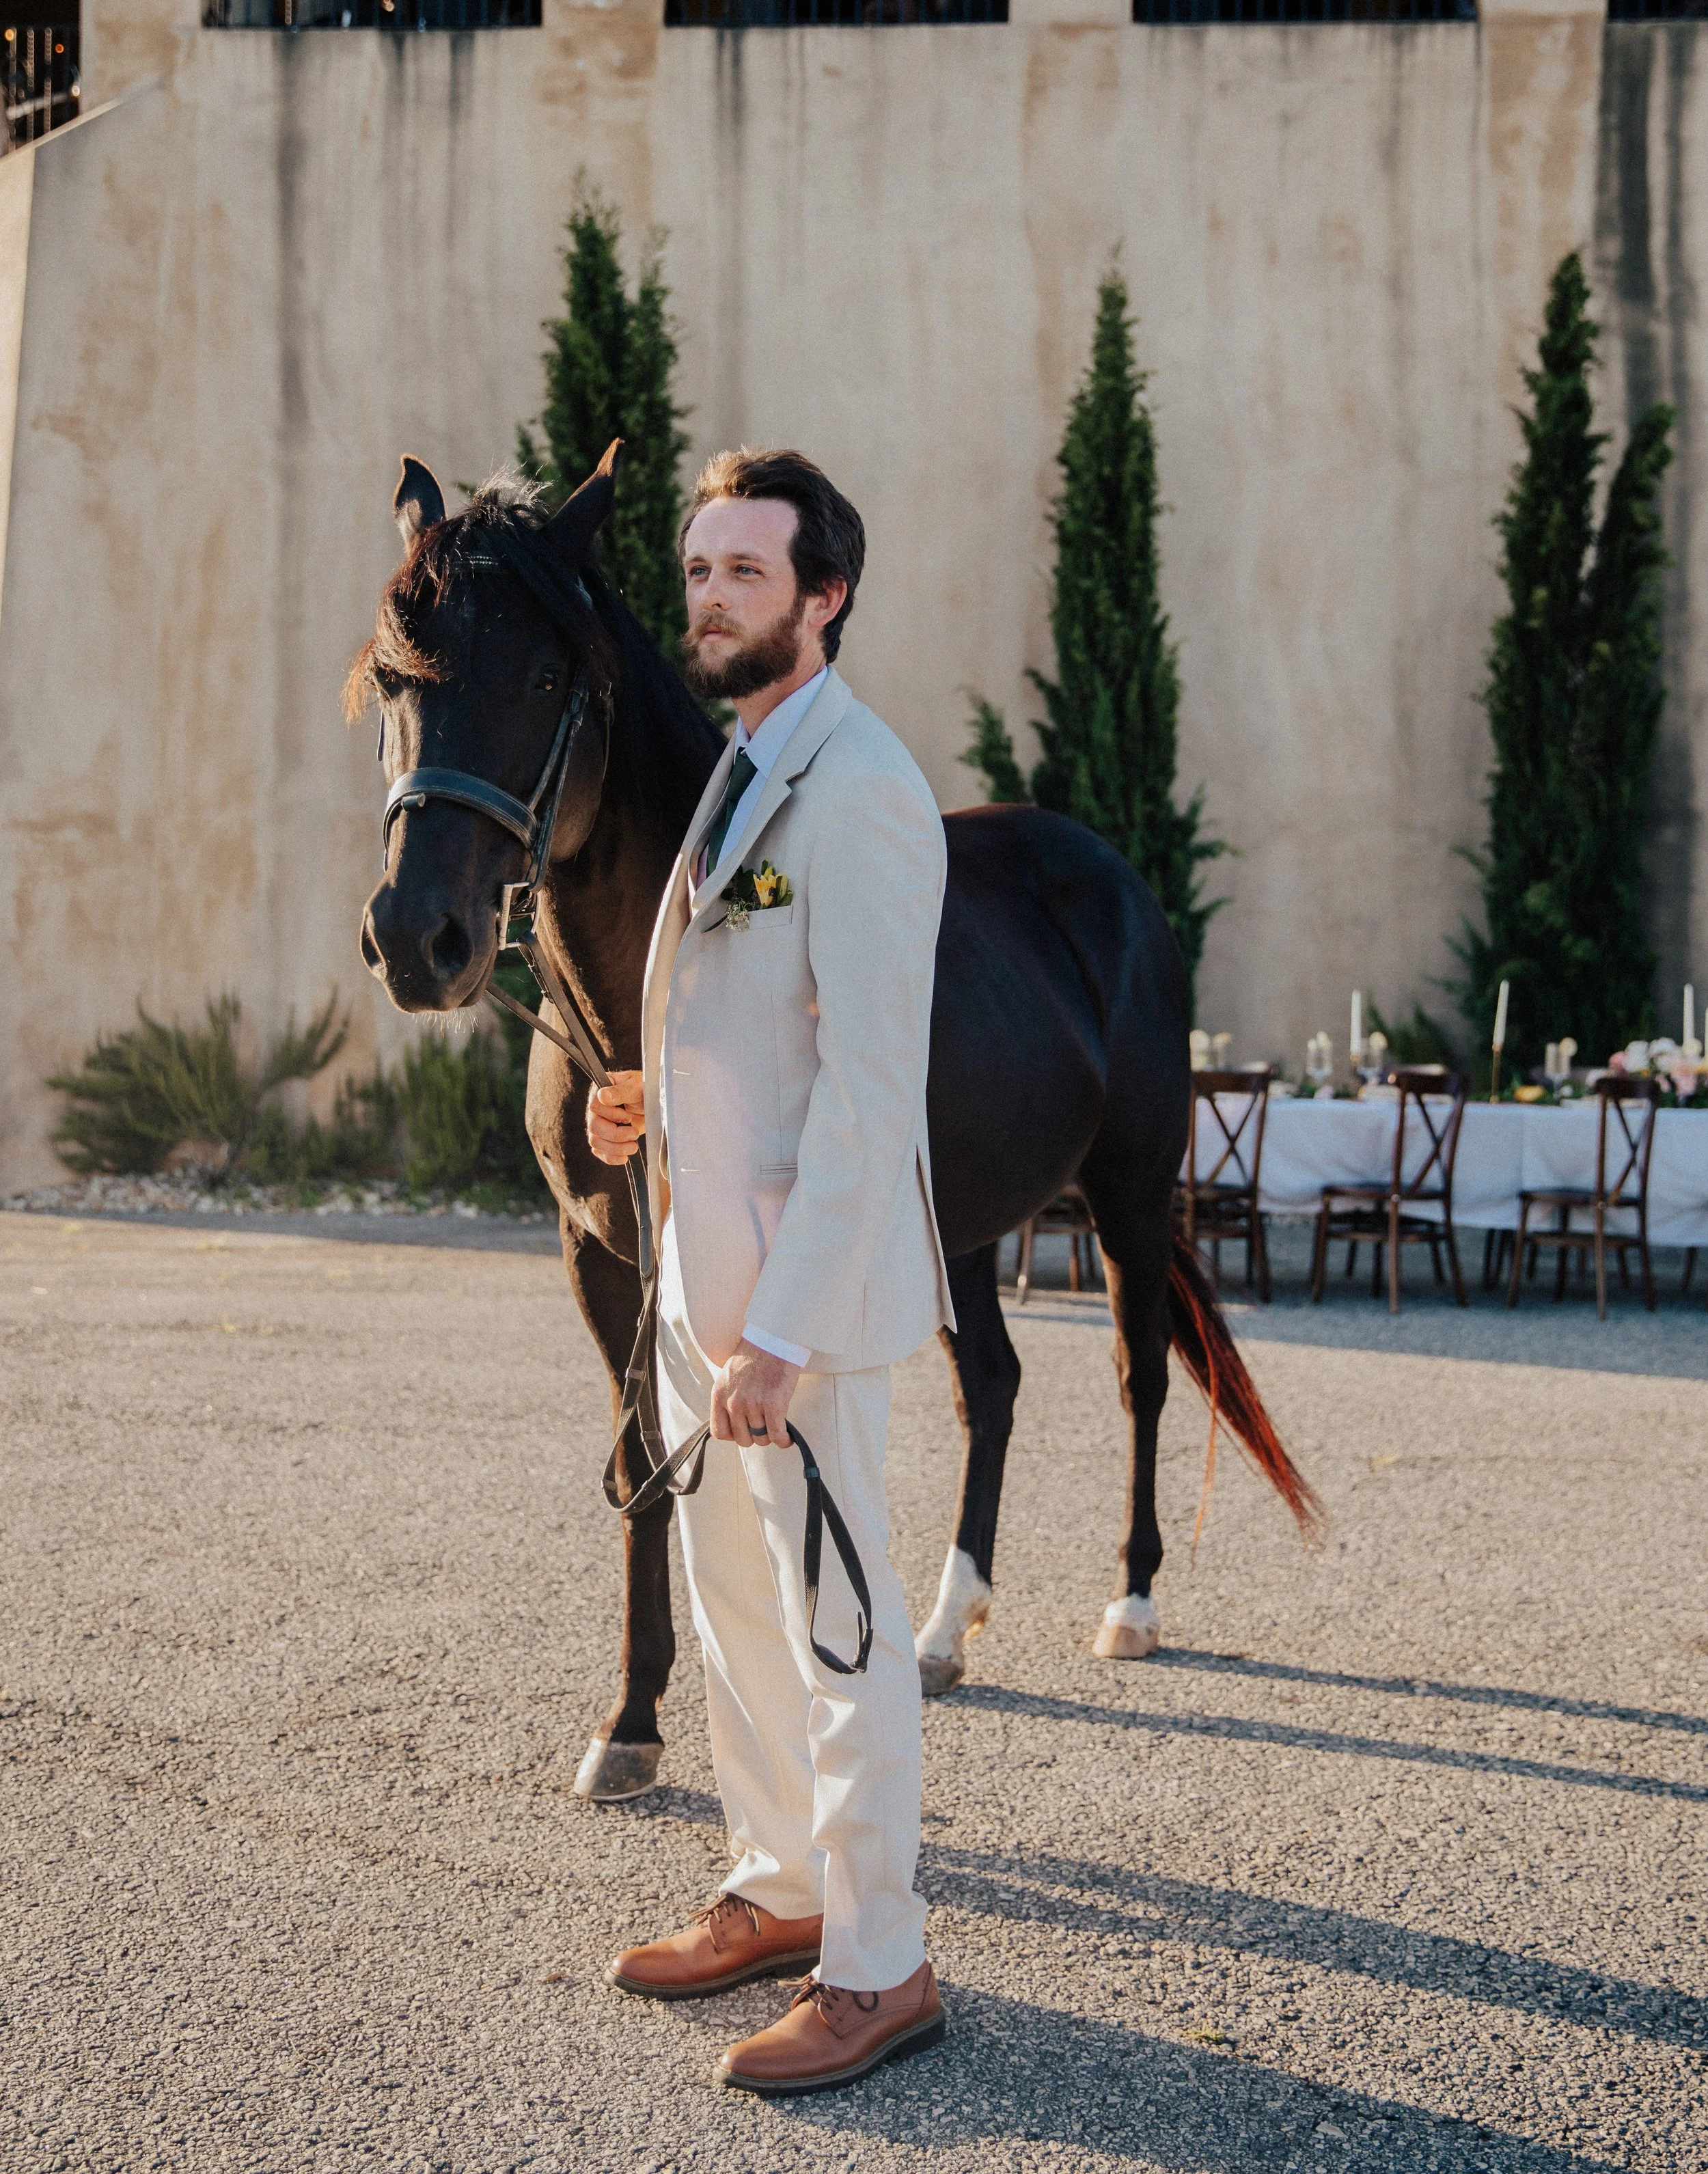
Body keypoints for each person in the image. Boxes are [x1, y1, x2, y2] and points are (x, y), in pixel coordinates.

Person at [584, 447, 954, 2096]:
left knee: (840, 1631)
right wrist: (645, 1097)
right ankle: (780, 1887)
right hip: (703, 1296)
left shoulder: (859, 786)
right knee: (736, 1621)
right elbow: (754, 1030)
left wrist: (782, 1332)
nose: (713, 596)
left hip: (796, 1319)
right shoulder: (743, 767)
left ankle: (883, 1964)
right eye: (701, 569)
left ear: (826, 596)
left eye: (748, 571)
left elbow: (875, 1095)